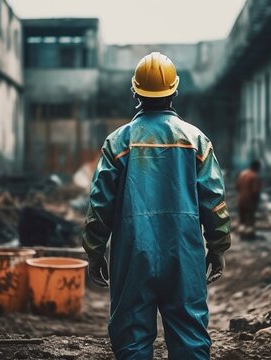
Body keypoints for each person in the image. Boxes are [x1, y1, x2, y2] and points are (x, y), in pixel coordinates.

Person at [83, 52, 231, 360]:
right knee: (190, 336)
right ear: (175, 92)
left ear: (134, 92)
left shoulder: (118, 142)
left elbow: (100, 205)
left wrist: (94, 250)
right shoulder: (196, 141)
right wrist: (217, 246)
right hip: (184, 255)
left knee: (132, 338)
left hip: (133, 254)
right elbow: (214, 201)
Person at [236, 160, 262, 238]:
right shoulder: (254, 176)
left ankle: (242, 234)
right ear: (257, 168)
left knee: (242, 219)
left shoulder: (242, 174)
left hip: (240, 200)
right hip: (249, 202)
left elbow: (237, 187)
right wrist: (256, 202)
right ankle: (248, 236)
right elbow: (255, 192)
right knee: (250, 221)